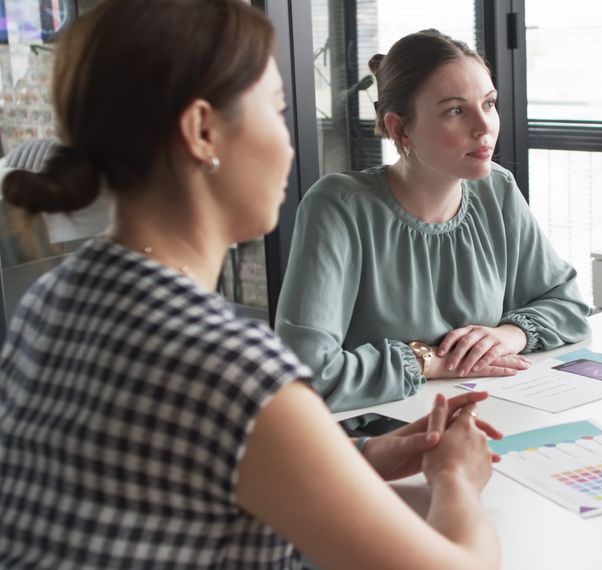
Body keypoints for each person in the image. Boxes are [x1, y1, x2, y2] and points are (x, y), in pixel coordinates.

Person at [0, 2, 502, 568]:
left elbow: (180, 482)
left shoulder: (53, 298)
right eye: (276, 108)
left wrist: (367, 453)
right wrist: (456, 475)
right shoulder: (227, 366)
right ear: (203, 132)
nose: (289, 145)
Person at [275, 30, 591, 413]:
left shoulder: (498, 189)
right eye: (456, 111)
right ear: (399, 128)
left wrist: (509, 335)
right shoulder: (339, 206)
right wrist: (428, 362)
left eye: (489, 104)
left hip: (488, 414)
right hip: (375, 438)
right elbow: (304, 373)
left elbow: (569, 303)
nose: (484, 126)